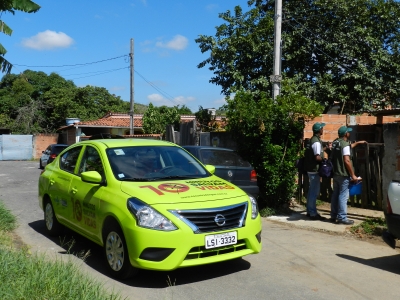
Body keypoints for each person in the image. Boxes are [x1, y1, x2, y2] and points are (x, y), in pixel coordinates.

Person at [330, 126, 367, 224]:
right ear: (345, 134)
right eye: (348, 132)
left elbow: (348, 147)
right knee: (343, 196)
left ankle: (333, 215)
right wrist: (353, 175)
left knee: (335, 194)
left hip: (336, 172)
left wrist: (358, 143)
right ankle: (342, 217)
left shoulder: (336, 143)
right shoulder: (345, 145)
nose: (349, 134)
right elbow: (346, 160)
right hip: (343, 174)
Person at [304, 122, 326, 220]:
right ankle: (313, 213)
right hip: (314, 169)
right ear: (319, 130)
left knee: (311, 191)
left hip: (310, 168)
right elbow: (317, 157)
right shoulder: (316, 141)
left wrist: (325, 148)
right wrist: (325, 160)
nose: (323, 129)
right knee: (314, 192)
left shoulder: (312, 140)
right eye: (322, 128)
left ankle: (309, 211)